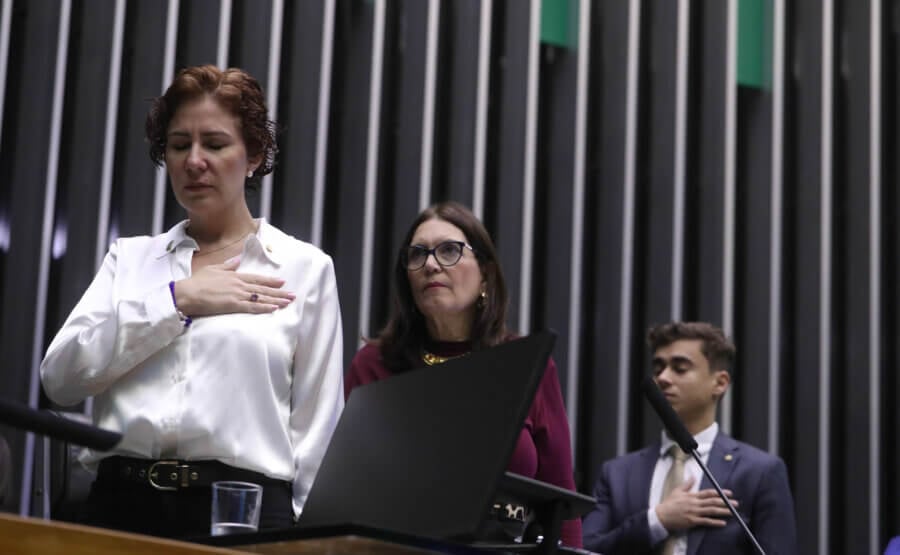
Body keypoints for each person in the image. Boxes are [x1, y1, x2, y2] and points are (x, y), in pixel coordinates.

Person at [39, 65, 344, 538]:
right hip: (120, 507)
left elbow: (317, 429)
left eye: (215, 144)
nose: (194, 161)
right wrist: (176, 300)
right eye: (180, 145)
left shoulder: (305, 268)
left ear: (254, 154)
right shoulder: (131, 259)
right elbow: (60, 380)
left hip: (245, 514)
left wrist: (307, 540)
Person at [345, 201, 582, 548]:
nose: (430, 264)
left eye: (449, 251)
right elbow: (350, 487)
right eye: (417, 254)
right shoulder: (375, 363)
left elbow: (561, 496)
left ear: (485, 272)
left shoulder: (529, 365)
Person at [581, 321, 797, 554]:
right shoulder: (616, 474)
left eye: (680, 368)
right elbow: (585, 549)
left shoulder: (759, 472)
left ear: (720, 383)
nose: (662, 378)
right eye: (657, 368)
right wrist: (658, 520)